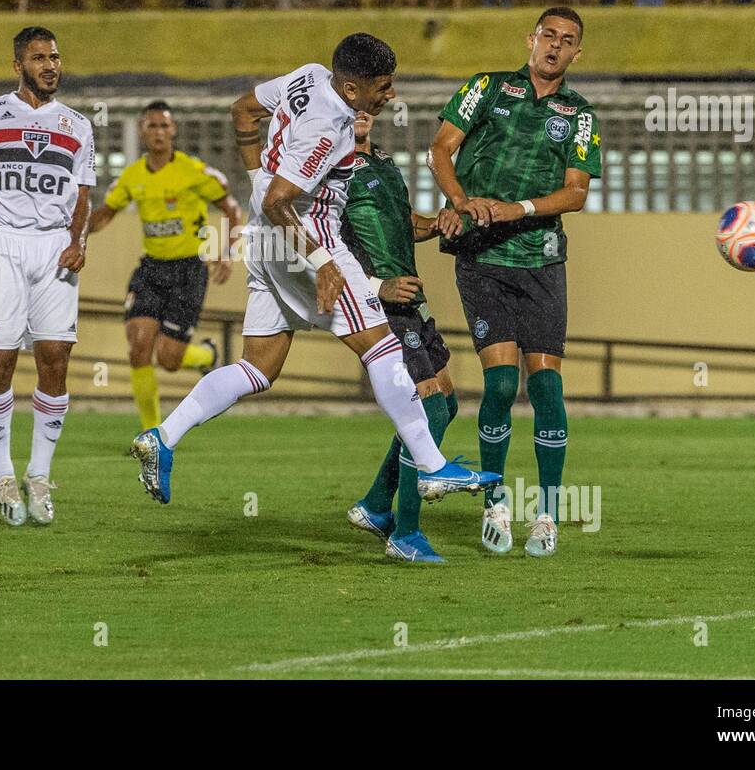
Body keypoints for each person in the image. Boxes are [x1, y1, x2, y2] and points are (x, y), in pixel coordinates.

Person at [129, 34, 493, 563]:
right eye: (380, 87)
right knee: (381, 347)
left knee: (259, 367)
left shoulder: (306, 75)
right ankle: (431, 466)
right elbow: (283, 202)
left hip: (266, 240)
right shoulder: (330, 121)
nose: (389, 94)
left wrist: (255, 178)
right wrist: (323, 263)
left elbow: (243, 110)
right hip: (307, 237)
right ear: (350, 86)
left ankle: (164, 436)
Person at [428, 7, 602, 558]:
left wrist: (516, 209)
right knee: (501, 386)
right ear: (531, 39)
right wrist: (461, 203)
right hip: (482, 259)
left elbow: (576, 193)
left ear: (577, 54)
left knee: (546, 387)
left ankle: (547, 514)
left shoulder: (579, 115)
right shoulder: (487, 87)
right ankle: (495, 501)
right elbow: (439, 148)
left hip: (542, 260)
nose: (555, 45)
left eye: (567, 40)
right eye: (548, 34)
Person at [0, 26, 96, 528]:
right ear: (18, 66)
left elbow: (83, 195)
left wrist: (80, 242)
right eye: (39, 58)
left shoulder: (77, 124)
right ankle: (2, 475)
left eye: (55, 56)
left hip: (54, 248)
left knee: (55, 360)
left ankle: (39, 476)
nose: (51, 65)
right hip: (3, 244)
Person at [341, 114, 489, 562]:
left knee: (445, 401)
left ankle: (375, 505)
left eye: (371, 98)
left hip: (410, 296)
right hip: (379, 303)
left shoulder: (381, 160)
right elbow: (315, 244)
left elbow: (401, 221)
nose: (363, 110)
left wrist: (440, 222)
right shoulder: (326, 168)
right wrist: (374, 285)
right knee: (424, 405)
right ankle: (405, 534)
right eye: (353, 98)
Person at [88, 100, 243, 431]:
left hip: (188, 272)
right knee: (139, 347)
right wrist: (75, 230)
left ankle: (206, 356)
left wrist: (227, 251)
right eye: (151, 125)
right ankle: (150, 433)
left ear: (173, 130)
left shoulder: (193, 171)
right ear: (143, 131)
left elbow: (232, 209)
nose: (158, 132)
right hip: (151, 270)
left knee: (169, 360)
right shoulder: (131, 176)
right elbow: (106, 213)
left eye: (163, 125)